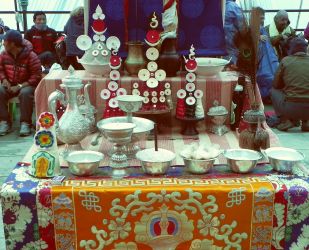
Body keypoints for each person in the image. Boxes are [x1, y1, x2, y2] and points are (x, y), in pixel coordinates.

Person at [0, 30, 42, 136]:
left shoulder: (31, 56)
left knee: (25, 93)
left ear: (12, 43)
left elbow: (36, 76)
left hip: (27, 85)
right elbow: (0, 69)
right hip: (10, 84)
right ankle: (4, 121)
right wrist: (4, 80)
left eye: (5, 41)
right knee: (0, 90)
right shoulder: (4, 54)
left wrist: (19, 86)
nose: (3, 43)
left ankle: (25, 123)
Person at [271, 37, 309, 131]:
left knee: (273, 91)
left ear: (291, 48)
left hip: (291, 107)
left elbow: (276, 85)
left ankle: (286, 119)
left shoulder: (286, 61)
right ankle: (307, 121)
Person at [254, 7, 279, 102]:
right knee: (267, 74)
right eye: (260, 18)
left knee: (269, 74)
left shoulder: (262, 29)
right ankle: (266, 95)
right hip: (263, 59)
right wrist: (258, 37)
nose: (263, 20)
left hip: (267, 58)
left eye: (263, 18)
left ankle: (266, 95)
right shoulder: (252, 29)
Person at [224, 0, 246, 65]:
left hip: (218, 42)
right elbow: (242, 28)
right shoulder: (234, 6)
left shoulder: (218, 6)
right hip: (231, 40)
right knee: (231, 64)